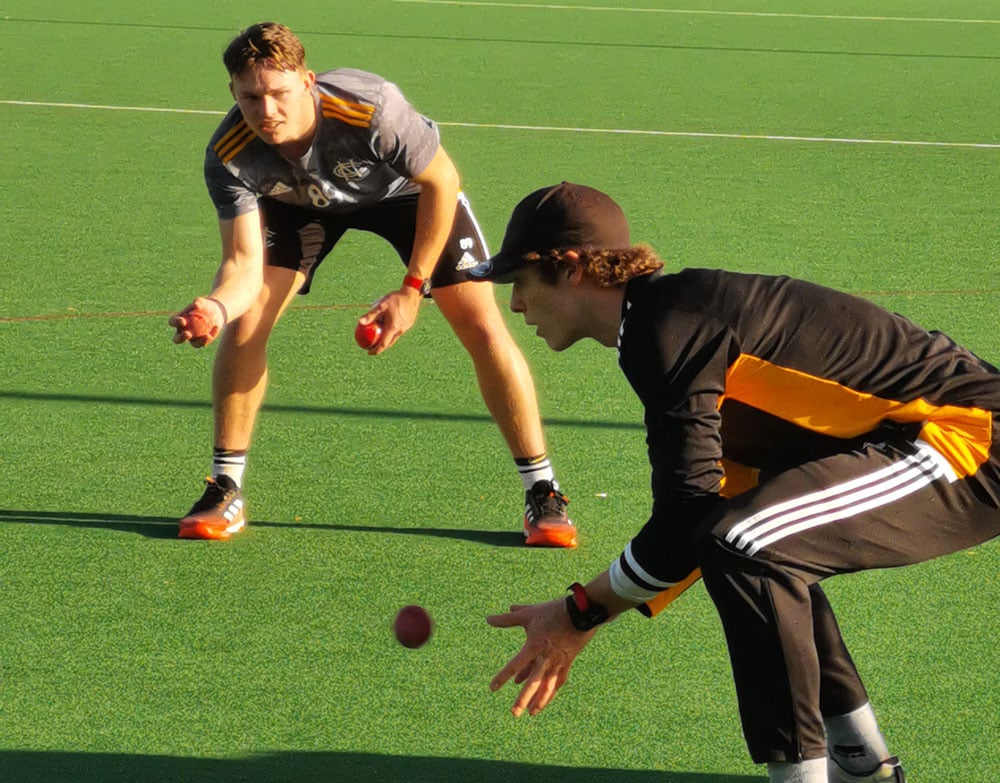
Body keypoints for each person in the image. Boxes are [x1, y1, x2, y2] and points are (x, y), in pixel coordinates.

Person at [475, 182, 1000, 783]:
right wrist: (587, 611)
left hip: (974, 443)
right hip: (938, 439)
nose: (516, 304)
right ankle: (863, 768)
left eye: (520, 280)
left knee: (744, 542)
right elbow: (703, 510)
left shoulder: (669, 328)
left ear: (570, 270)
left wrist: (580, 612)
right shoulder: (661, 322)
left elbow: (684, 521)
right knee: (746, 542)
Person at [168, 22, 576, 547]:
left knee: (480, 322)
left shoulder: (371, 107)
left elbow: (442, 182)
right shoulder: (230, 153)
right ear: (232, 93)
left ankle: (543, 491)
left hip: (406, 194)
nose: (266, 112)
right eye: (251, 97)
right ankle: (225, 486)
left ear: (308, 82)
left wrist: (411, 289)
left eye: (279, 94)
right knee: (246, 323)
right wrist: (215, 309)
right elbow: (244, 265)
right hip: (299, 204)